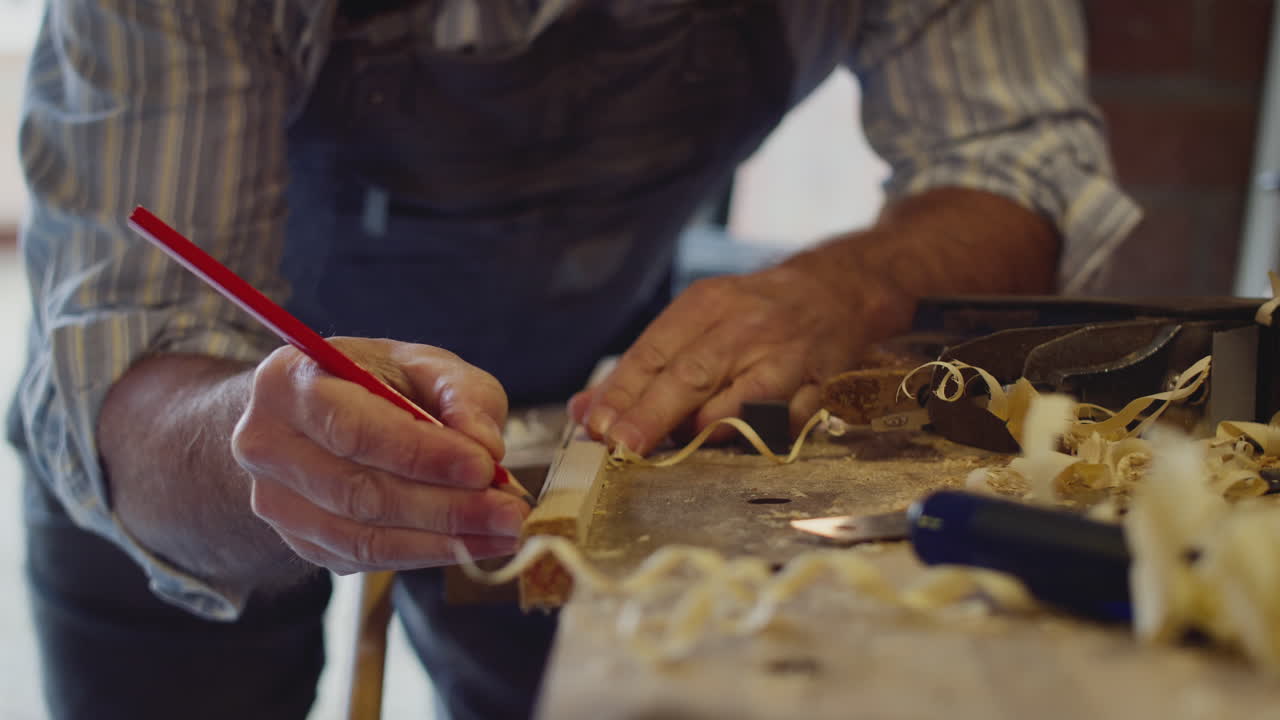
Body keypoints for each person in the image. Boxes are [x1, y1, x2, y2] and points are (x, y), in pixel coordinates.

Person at [6, 0, 1138, 718]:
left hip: (582, 412)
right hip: (186, 437)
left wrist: (847, 283)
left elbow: (1016, 151)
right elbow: (132, 337)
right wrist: (257, 436)